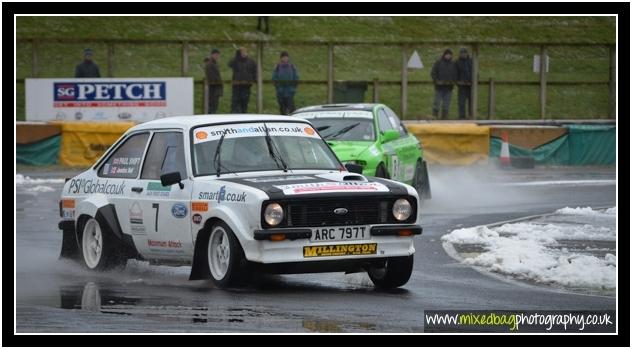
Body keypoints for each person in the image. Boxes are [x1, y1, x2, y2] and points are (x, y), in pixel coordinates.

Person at [228, 47, 257, 113]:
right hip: (236, 85)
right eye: (242, 52)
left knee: (244, 101)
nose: (244, 53)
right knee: (235, 101)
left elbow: (254, 71)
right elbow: (230, 64)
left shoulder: (251, 61)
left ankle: (243, 114)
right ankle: (234, 115)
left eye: (245, 52)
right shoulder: (236, 61)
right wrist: (236, 57)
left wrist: (254, 79)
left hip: (246, 85)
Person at [430, 48, 458, 119]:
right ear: (444, 55)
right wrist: (437, 81)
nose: (448, 56)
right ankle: (434, 117)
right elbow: (433, 73)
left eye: (450, 55)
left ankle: (444, 118)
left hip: (449, 88)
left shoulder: (453, 64)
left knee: (446, 104)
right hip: (439, 87)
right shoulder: (438, 62)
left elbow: (456, 74)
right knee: (437, 103)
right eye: (447, 54)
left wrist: (453, 81)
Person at [456, 48, 473, 119]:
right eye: (462, 53)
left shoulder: (471, 61)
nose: (463, 54)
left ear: (467, 53)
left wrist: (475, 81)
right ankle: (461, 117)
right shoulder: (457, 62)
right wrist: (457, 81)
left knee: (471, 102)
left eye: (464, 53)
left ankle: (471, 116)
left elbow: (475, 71)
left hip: (471, 86)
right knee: (461, 102)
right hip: (461, 85)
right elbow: (455, 72)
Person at [205, 48, 223, 114]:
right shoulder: (210, 64)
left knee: (214, 105)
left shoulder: (213, 63)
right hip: (213, 88)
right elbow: (212, 76)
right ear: (213, 55)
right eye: (216, 55)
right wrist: (218, 81)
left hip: (215, 88)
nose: (217, 56)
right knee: (212, 105)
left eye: (218, 55)